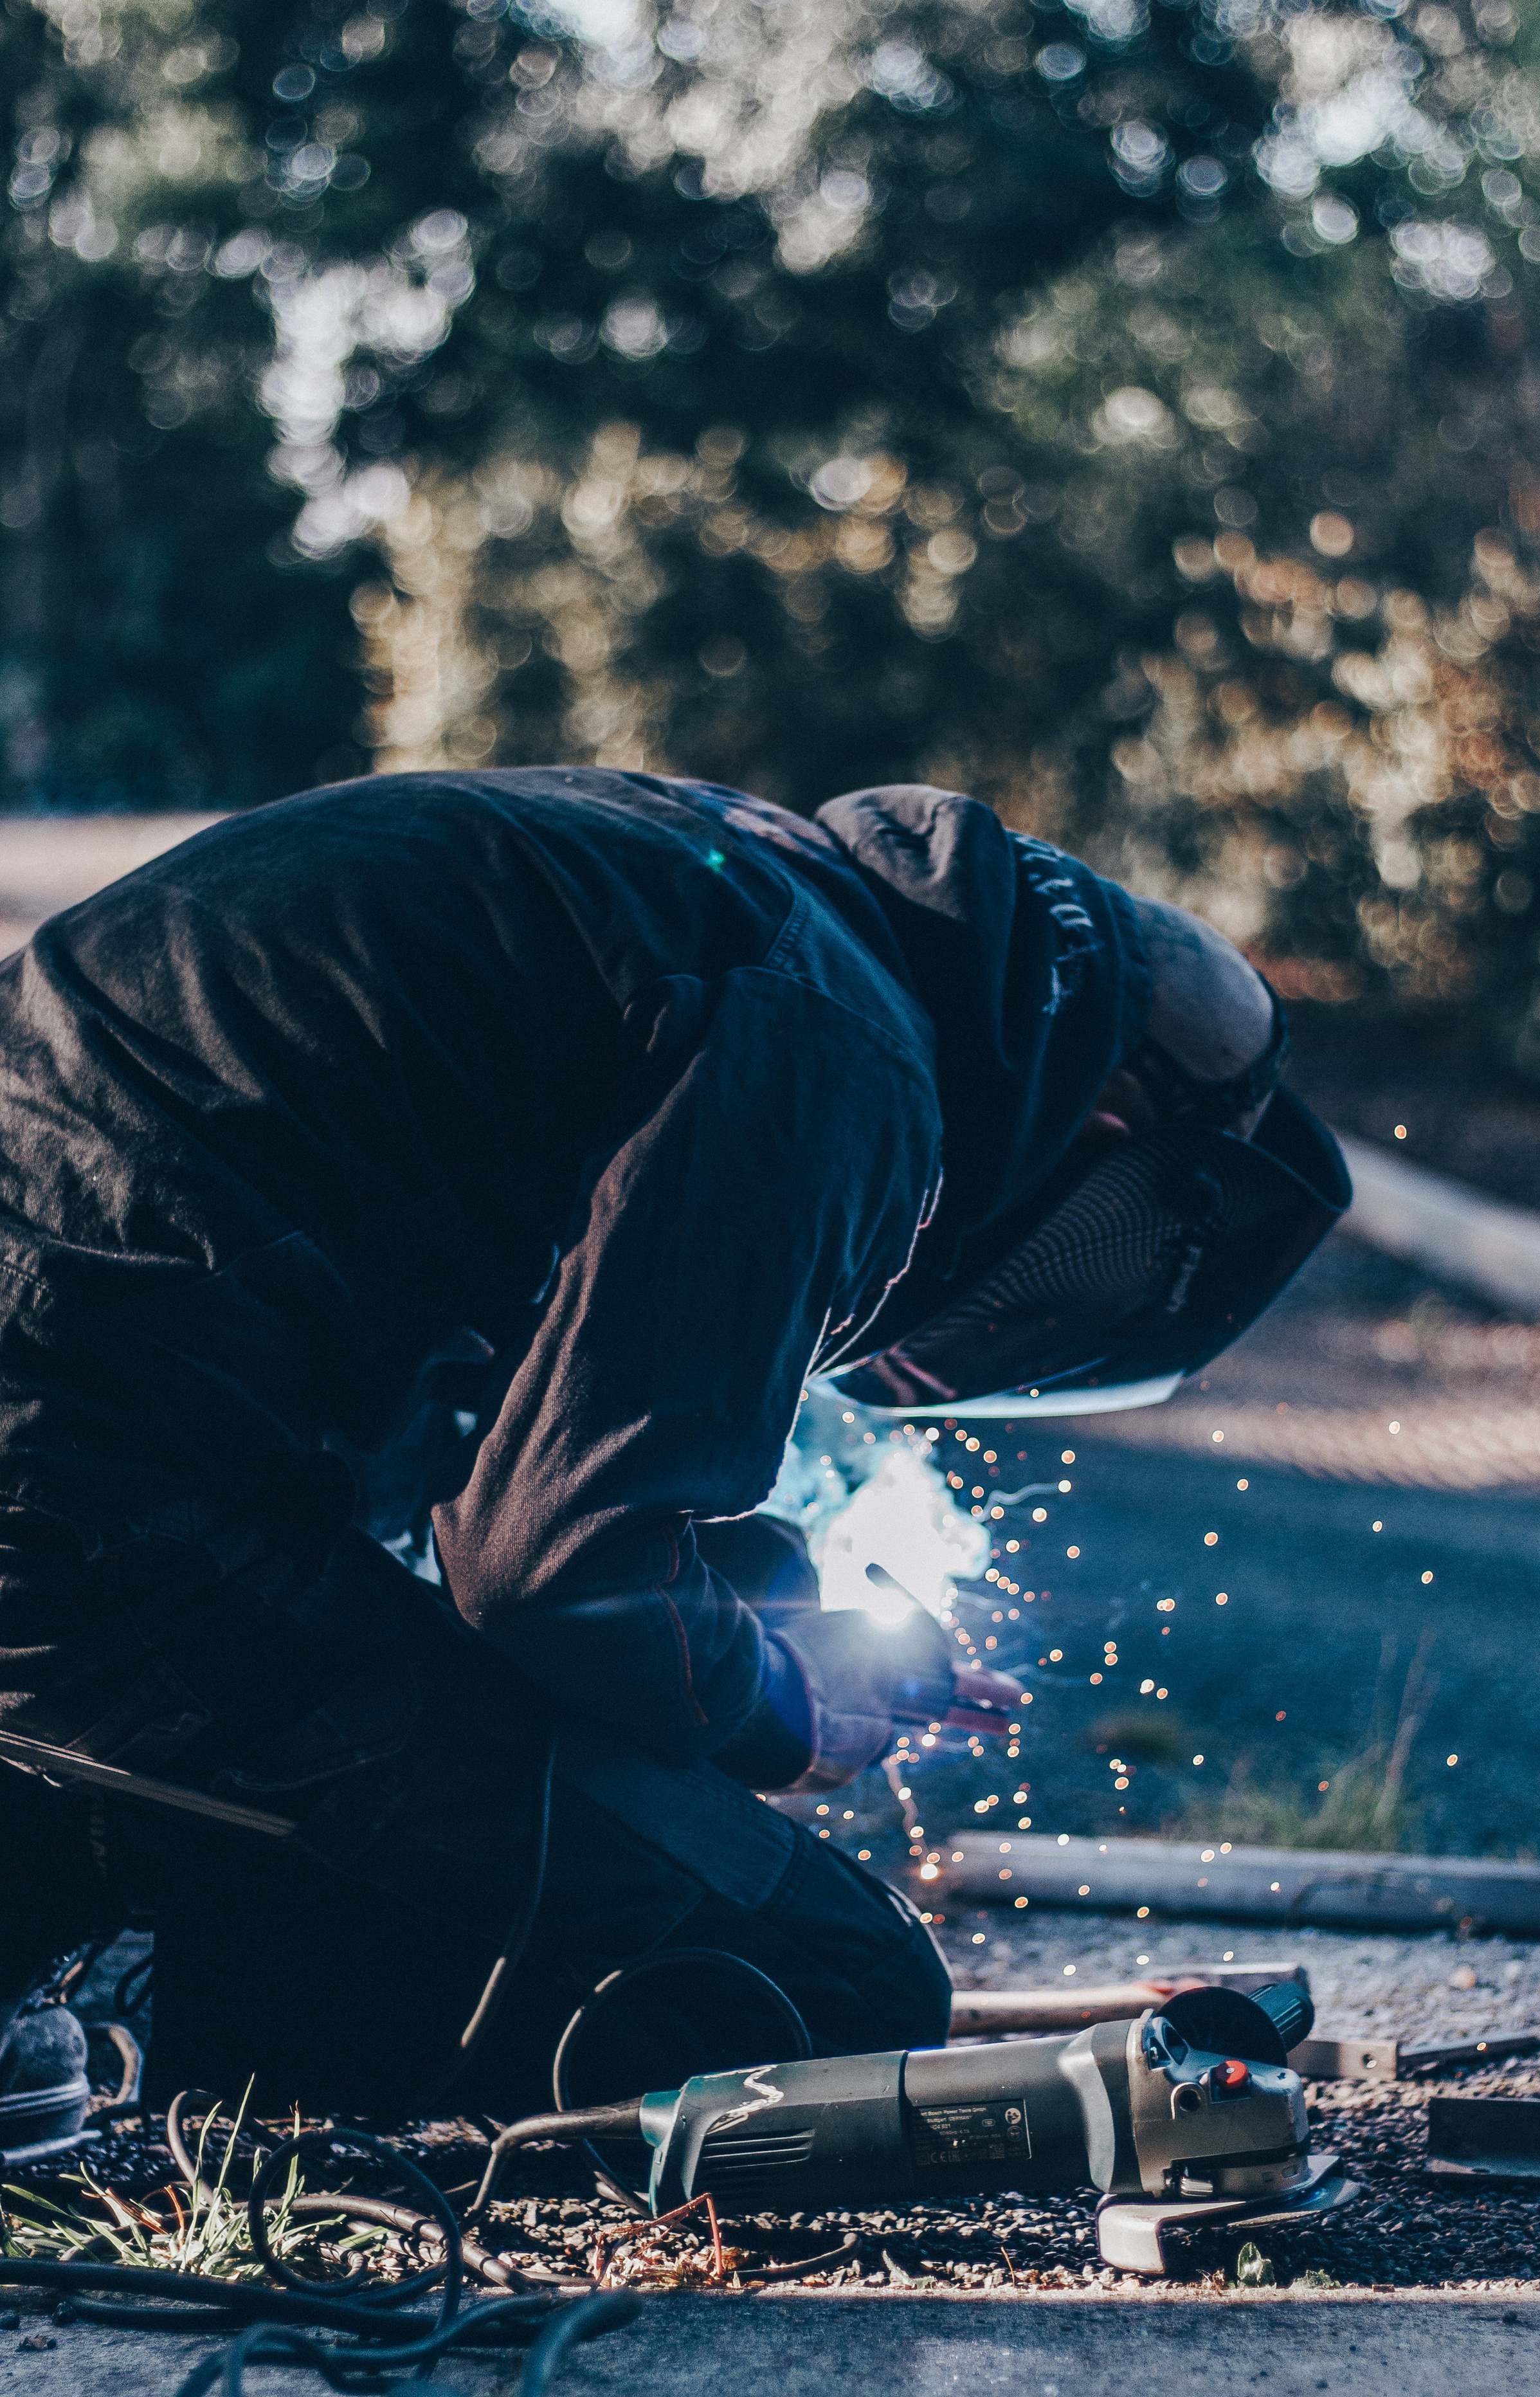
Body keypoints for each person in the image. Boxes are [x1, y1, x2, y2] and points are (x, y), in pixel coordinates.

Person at [0, 770, 1346, 2141]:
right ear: (1107, 1147)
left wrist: (750, 1619)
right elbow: (545, 1572)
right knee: (826, 1987)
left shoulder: (712, 878)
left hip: (81, 1460)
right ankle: (256, 2104)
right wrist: (778, 1711)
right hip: (79, 1513)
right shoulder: (837, 1046)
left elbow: (479, 1463)